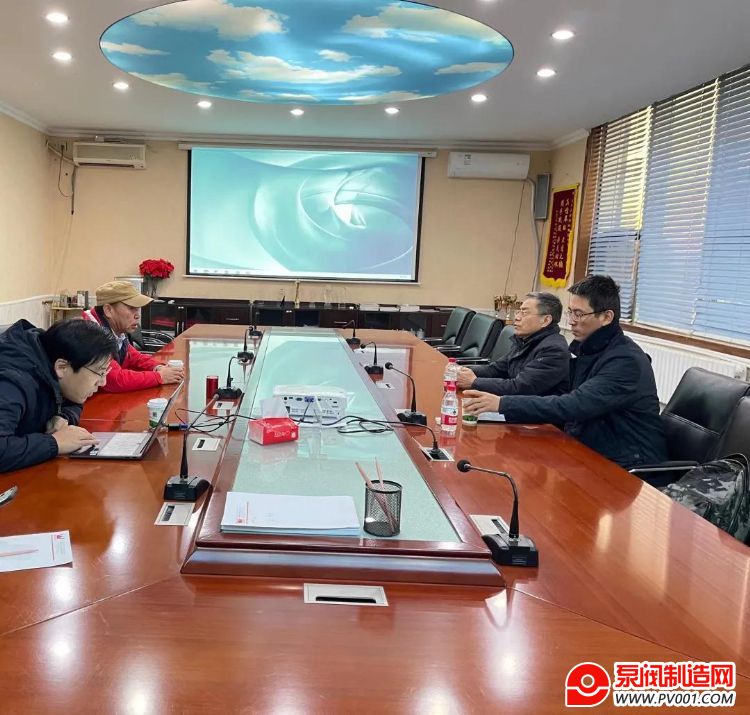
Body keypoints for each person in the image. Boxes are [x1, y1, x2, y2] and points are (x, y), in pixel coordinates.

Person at [463, 275, 668, 469]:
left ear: (606, 317)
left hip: (626, 464)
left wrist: (502, 403)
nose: (571, 321)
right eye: (571, 312)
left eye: (579, 314)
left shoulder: (625, 361)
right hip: (588, 448)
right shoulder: (591, 349)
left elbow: (574, 405)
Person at [0, 318, 117, 473]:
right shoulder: (12, 384)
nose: (103, 382)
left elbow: (76, 400)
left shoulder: (51, 357)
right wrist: (54, 443)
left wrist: (63, 416)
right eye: (99, 372)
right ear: (62, 367)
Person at [456, 292, 570, 397]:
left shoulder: (554, 350)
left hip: (531, 411)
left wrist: (475, 382)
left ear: (545, 320)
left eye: (524, 313)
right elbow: (496, 369)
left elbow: (520, 387)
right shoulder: (525, 339)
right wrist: (460, 371)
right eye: (518, 312)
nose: (517, 317)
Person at [82, 281, 183, 392]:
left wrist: (159, 367)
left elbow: (133, 356)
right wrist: (160, 377)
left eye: (137, 308)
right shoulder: (89, 333)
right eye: (131, 308)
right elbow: (114, 380)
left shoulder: (114, 327)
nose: (138, 315)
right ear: (108, 310)